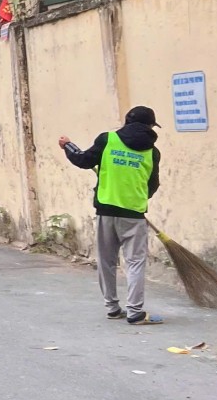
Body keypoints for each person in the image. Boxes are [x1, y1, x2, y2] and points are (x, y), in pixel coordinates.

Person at [58, 106, 163, 326]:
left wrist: (67, 145)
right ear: (150, 127)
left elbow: (83, 160)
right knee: (135, 263)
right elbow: (152, 185)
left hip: (106, 211)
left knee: (106, 261)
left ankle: (113, 308)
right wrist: (136, 197)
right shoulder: (152, 152)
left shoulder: (107, 140)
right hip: (134, 214)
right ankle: (135, 312)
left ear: (126, 121)